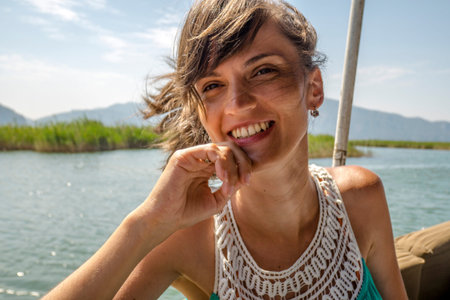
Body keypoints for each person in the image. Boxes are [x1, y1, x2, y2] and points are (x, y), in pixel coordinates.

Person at [43, 0, 408, 299]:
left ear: (314, 88)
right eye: (213, 86)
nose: (237, 104)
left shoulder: (362, 198)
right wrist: (147, 223)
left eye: (264, 71)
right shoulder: (186, 239)